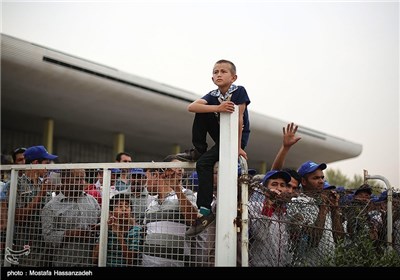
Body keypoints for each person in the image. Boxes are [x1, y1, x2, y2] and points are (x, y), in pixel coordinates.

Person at [177, 59, 251, 237]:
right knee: (201, 111)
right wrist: (217, 107)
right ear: (212, 78)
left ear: (233, 77)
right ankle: (199, 149)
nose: (219, 74)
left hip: (234, 137)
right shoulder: (213, 94)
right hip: (221, 137)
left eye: (223, 71)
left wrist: (238, 147)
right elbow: (191, 106)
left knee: (203, 164)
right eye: (216, 72)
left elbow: (240, 120)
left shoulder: (239, 91)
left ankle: (204, 210)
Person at [2, 145, 58, 266]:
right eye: (46, 163)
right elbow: (17, 217)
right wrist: (40, 195)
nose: (48, 167)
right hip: (25, 247)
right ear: (36, 163)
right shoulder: (15, 185)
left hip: (45, 247)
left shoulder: (45, 185)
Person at [142, 155, 198, 267]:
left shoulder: (187, 194)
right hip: (147, 263)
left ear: (157, 175)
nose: (145, 183)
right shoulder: (151, 202)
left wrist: (176, 188)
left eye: (146, 178)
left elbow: (193, 219)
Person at [286, 160, 344, 266]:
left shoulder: (321, 202)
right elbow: (313, 241)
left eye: (322, 177)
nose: (321, 181)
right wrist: (323, 209)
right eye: (315, 178)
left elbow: (339, 239)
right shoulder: (297, 203)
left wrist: (335, 209)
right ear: (303, 181)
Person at [41, 168, 101, 266]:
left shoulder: (92, 201)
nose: (82, 183)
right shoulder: (51, 207)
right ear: (65, 180)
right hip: (65, 262)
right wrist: (71, 234)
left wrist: (98, 226)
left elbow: (102, 220)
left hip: (90, 262)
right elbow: (47, 238)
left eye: (83, 179)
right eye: (78, 179)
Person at [248, 170, 294, 267]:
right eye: (274, 184)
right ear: (265, 189)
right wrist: (268, 205)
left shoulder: (285, 212)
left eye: (282, 185)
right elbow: (260, 235)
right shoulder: (254, 206)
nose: (279, 188)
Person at [92, 193, 143, 266]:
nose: (124, 209)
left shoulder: (135, 230)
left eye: (127, 206)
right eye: (120, 206)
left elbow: (130, 260)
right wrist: (105, 231)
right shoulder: (107, 229)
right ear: (111, 212)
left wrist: (119, 234)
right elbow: (94, 258)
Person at [271, 122, 302, 193]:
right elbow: (274, 172)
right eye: (287, 185)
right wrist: (286, 147)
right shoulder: (267, 193)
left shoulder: (289, 203)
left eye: (294, 188)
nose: (290, 191)